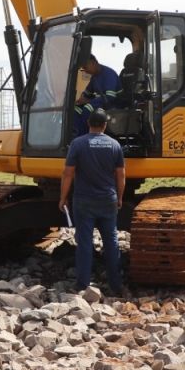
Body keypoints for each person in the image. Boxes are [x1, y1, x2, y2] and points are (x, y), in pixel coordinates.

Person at [59, 108, 126, 295]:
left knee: (85, 242)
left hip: (83, 201)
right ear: (105, 125)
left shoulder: (78, 144)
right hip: (108, 200)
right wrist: (119, 197)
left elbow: (68, 173)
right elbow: (121, 175)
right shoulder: (114, 145)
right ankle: (115, 285)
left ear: (88, 124)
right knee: (111, 241)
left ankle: (83, 285)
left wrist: (63, 198)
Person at [72, 54, 121, 136]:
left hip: (113, 104)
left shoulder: (109, 74)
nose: (85, 70)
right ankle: (77, 135)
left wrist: (88, 101)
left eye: (85, 67)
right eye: (83, 68)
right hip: (100, 103)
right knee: (76, 109)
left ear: (93, 62)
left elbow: (110, 97)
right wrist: (81, 99)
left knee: (87, 109)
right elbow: (88, 92)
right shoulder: (95, 77)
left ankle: (84, 137)